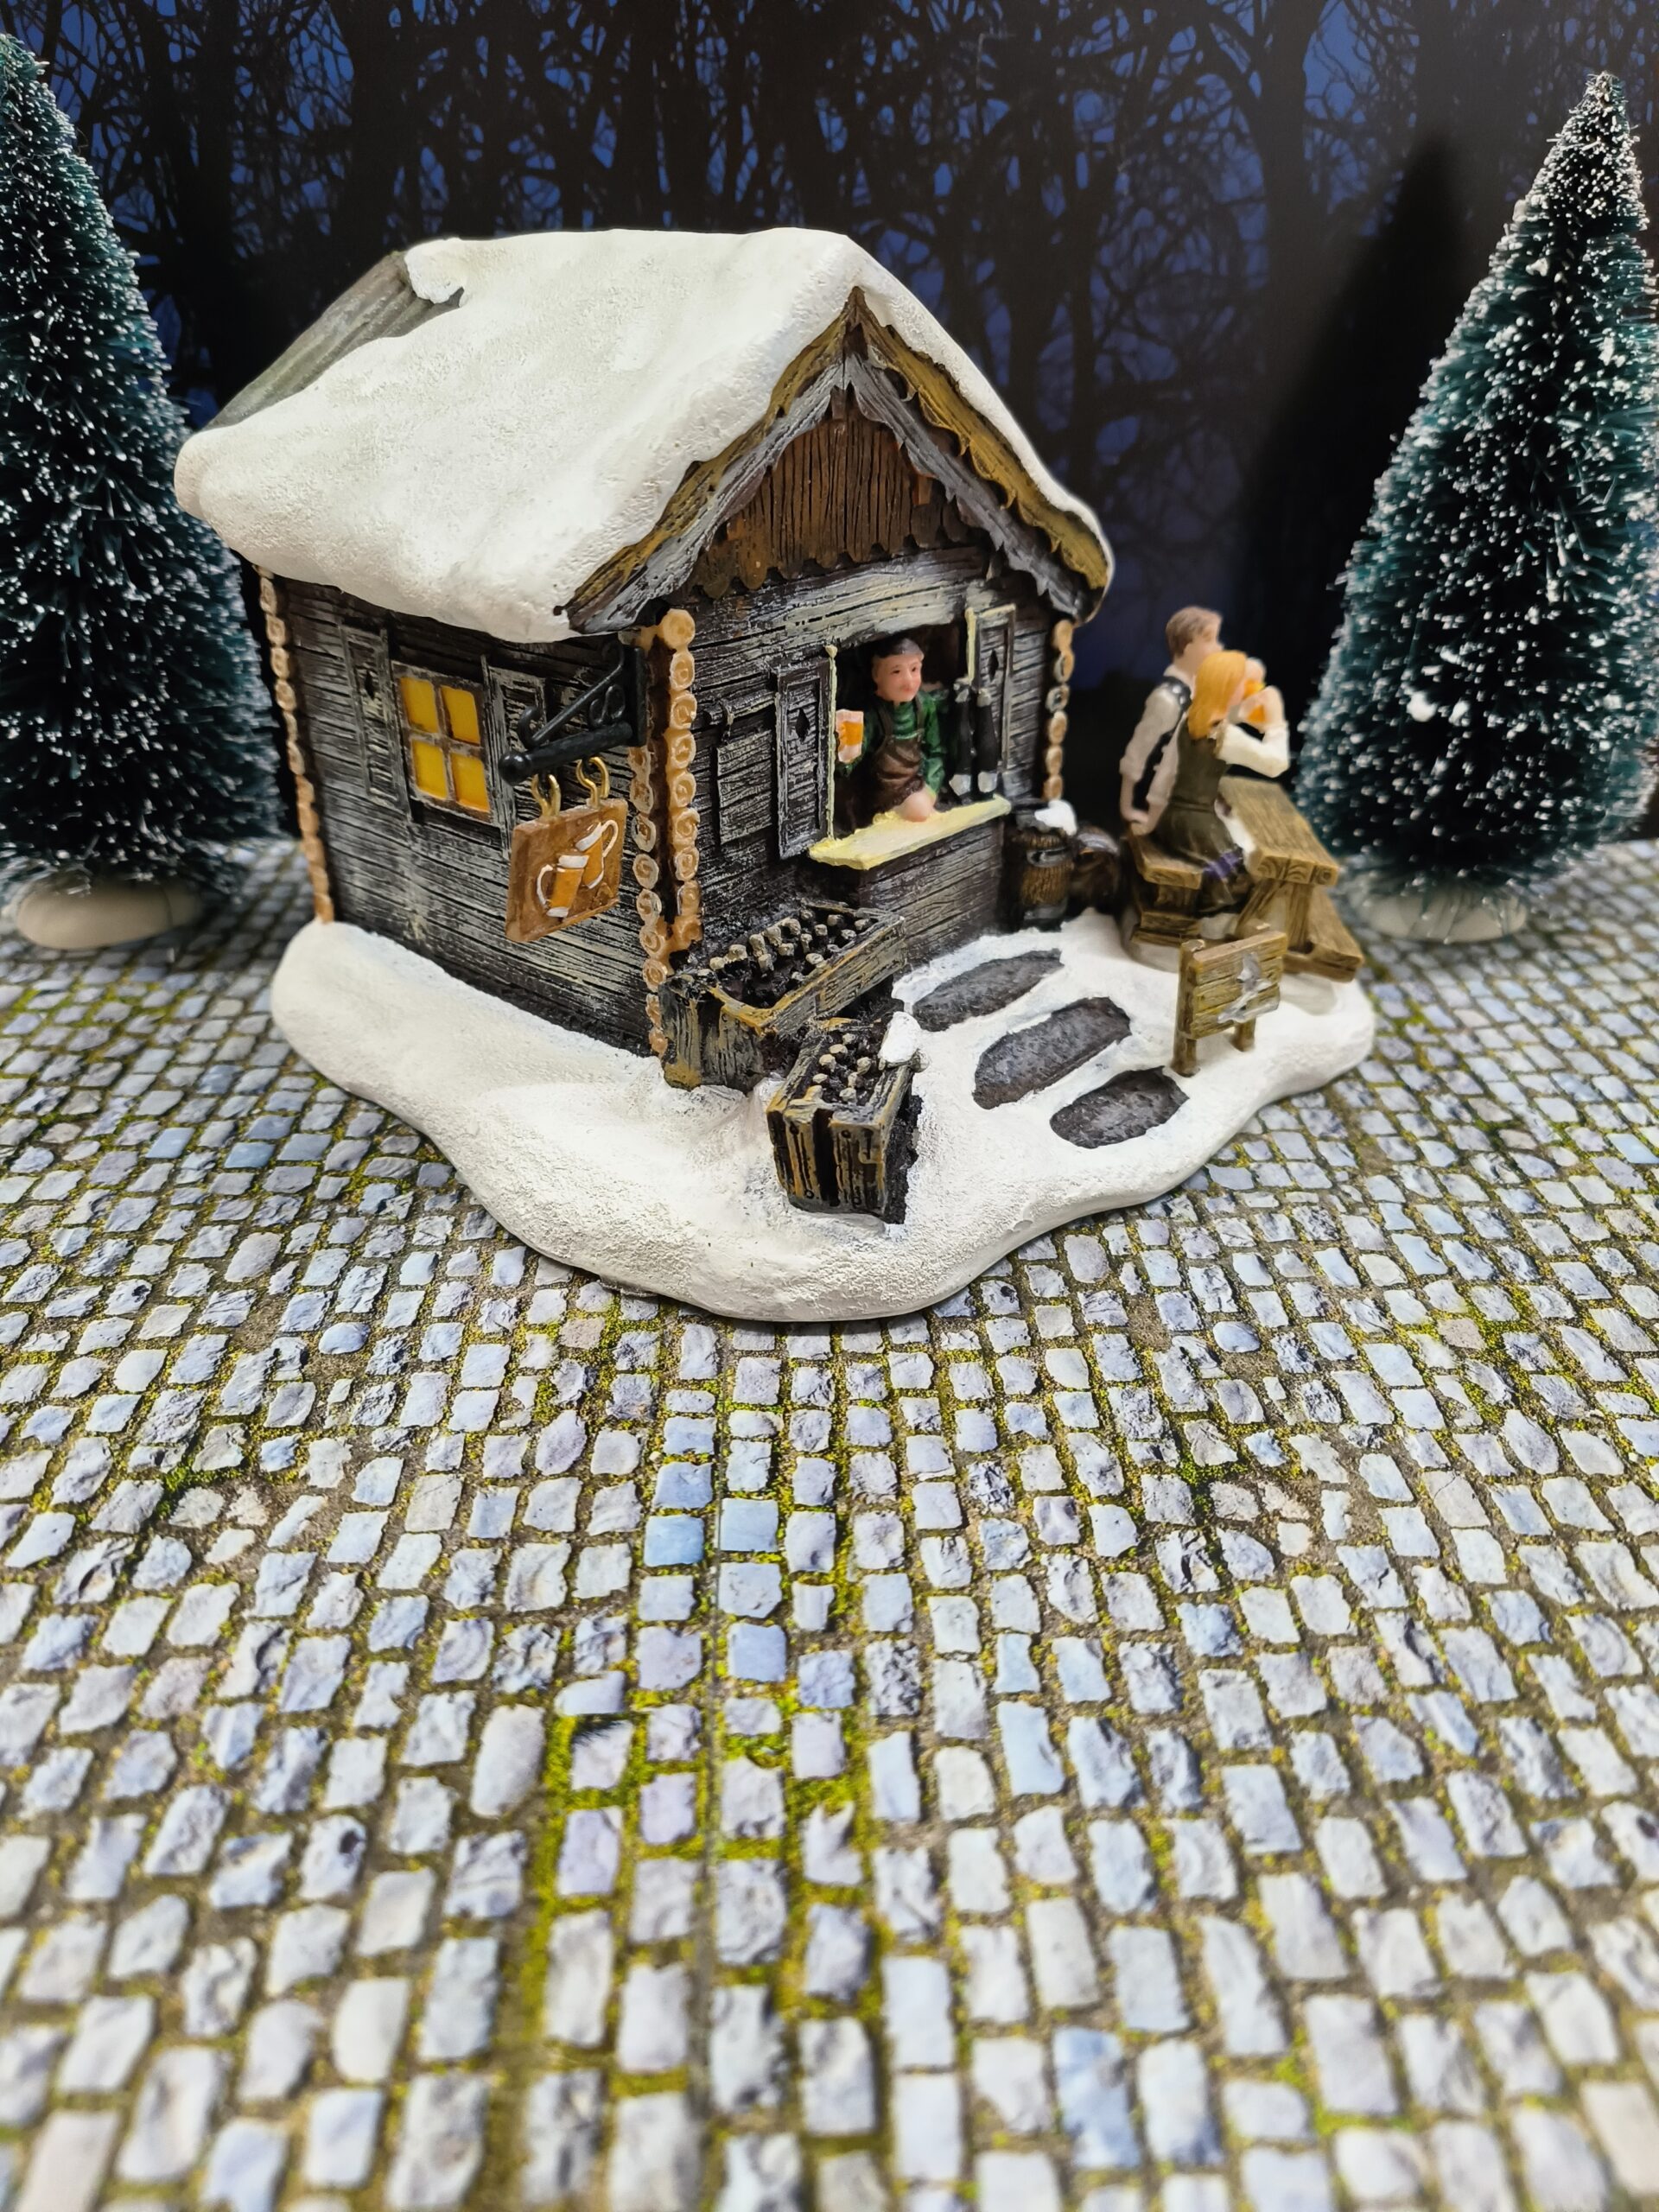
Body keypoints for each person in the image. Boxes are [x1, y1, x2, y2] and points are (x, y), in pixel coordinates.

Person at [1122, 622, 1290, 917]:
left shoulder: (1192, 719)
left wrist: (1153, 820)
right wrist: (1276, 724)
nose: (1247, 687)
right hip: (1197, 825)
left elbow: (1165, 775)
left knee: (1234, 851)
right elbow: (1276, 764)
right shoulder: (1225, 737)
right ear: (1229, 688)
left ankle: (1201, 908)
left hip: (1174, 819)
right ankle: (1204, 916)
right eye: (1243, 683)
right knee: (1236, 870)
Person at [838, 635, 947, 829]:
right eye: (896, 671)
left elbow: (935, 753)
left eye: (914, 670)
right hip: (879, 798)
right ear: (877, 675)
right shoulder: (871, 715)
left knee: (920, 811)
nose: (908, 681)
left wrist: (930, 791)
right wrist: (845, 756)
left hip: (913, 787)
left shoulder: (924, 706)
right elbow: (851, 760)